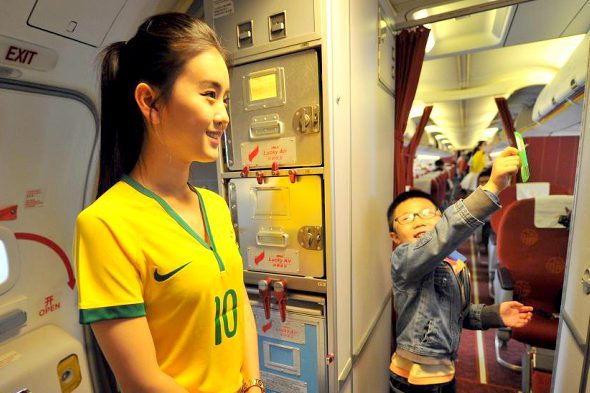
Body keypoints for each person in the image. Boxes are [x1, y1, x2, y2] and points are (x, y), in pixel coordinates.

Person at [74, 13, 263, 393]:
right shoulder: (105, 224)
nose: (224, 115)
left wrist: (255, 385)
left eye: (225, 99)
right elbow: (141, 381)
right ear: (150, 101)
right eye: (209, 95)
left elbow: (239, 304)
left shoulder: (215, 206)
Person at [386, 147, 533, 393]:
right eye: (407, 218)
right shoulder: (404, 260)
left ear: (439, 217)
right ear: (395, 237)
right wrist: (492, 188)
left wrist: (494, 314)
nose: (419, 220)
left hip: (444, 371)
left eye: (426, 213)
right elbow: (442, 237)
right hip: (413, 379)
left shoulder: (455, 263)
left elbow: (458, 314)